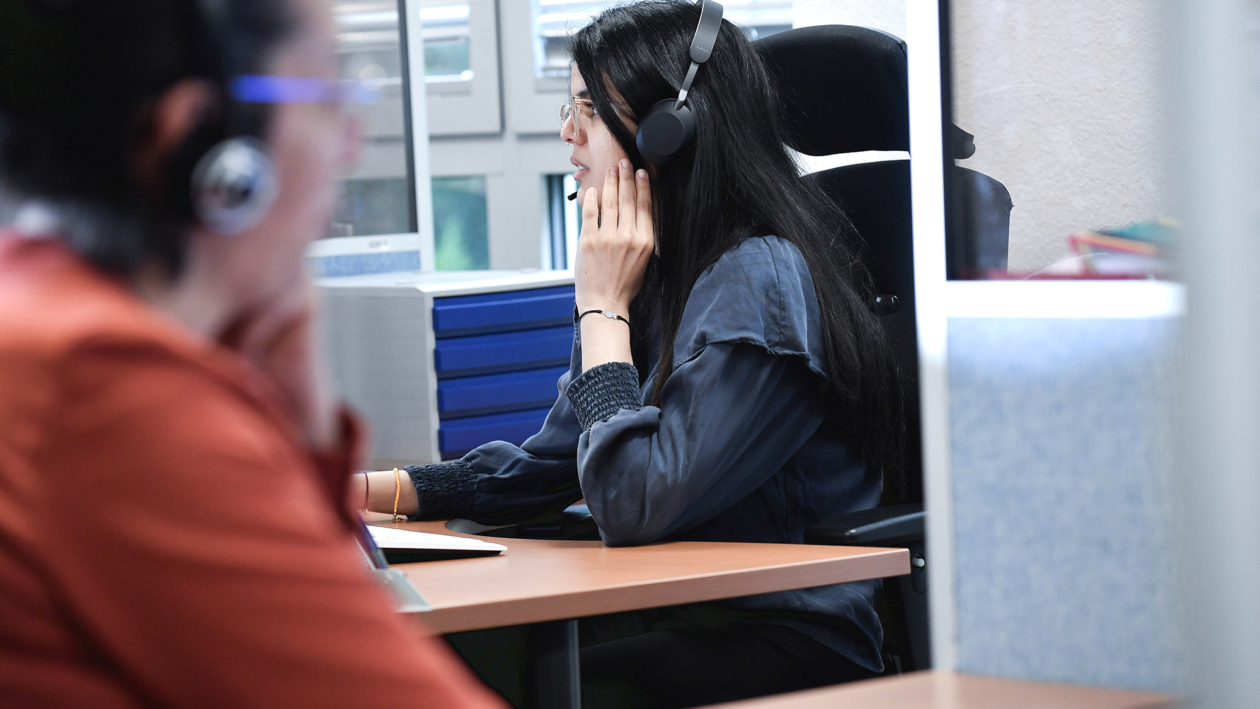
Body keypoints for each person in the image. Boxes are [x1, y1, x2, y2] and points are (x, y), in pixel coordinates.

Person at [356, 1, 907, 706]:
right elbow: (551, 463)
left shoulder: (757, 279)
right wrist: (382, 490)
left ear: (666, 133)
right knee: (422, 654)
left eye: (587, 110)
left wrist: (602, 308)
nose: (567, 133)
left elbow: (633, 498)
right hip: (674, 609)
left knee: (490, 677)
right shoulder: (656, 274)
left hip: (784, 634)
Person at [0, 1, 504, 707]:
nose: (352, 141)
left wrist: (298, 424)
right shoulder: (104, 390)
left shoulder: (34, 318)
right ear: (200, 144)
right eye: (329, 90)